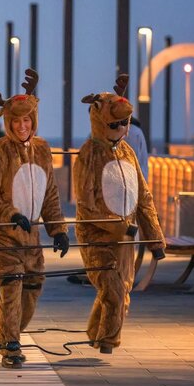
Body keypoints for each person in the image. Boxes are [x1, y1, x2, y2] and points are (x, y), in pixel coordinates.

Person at [0, 69, 69, 368]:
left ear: (33, 121)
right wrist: (11, 214)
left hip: (31, 238)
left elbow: (51, 194)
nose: (21, 126)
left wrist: (58, 229)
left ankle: (3, 335)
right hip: (3, 235)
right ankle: (11, 347)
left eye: (26, 120)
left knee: (32, 288)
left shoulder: (42, 149)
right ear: (8, 123)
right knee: (12, 288)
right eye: (16, 121)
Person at [74, 75, 165, 353]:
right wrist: (115, 228)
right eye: (114, 124)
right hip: (97, 236)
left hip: (127, 235)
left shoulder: (127, 151)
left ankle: (96, 333)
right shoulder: (89, 154)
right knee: (111, 289)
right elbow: (86, 204)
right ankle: (108, 340)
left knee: (121, 291)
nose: (121, 129)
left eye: (124, 124)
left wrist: (155, 238)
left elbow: (143, 196)